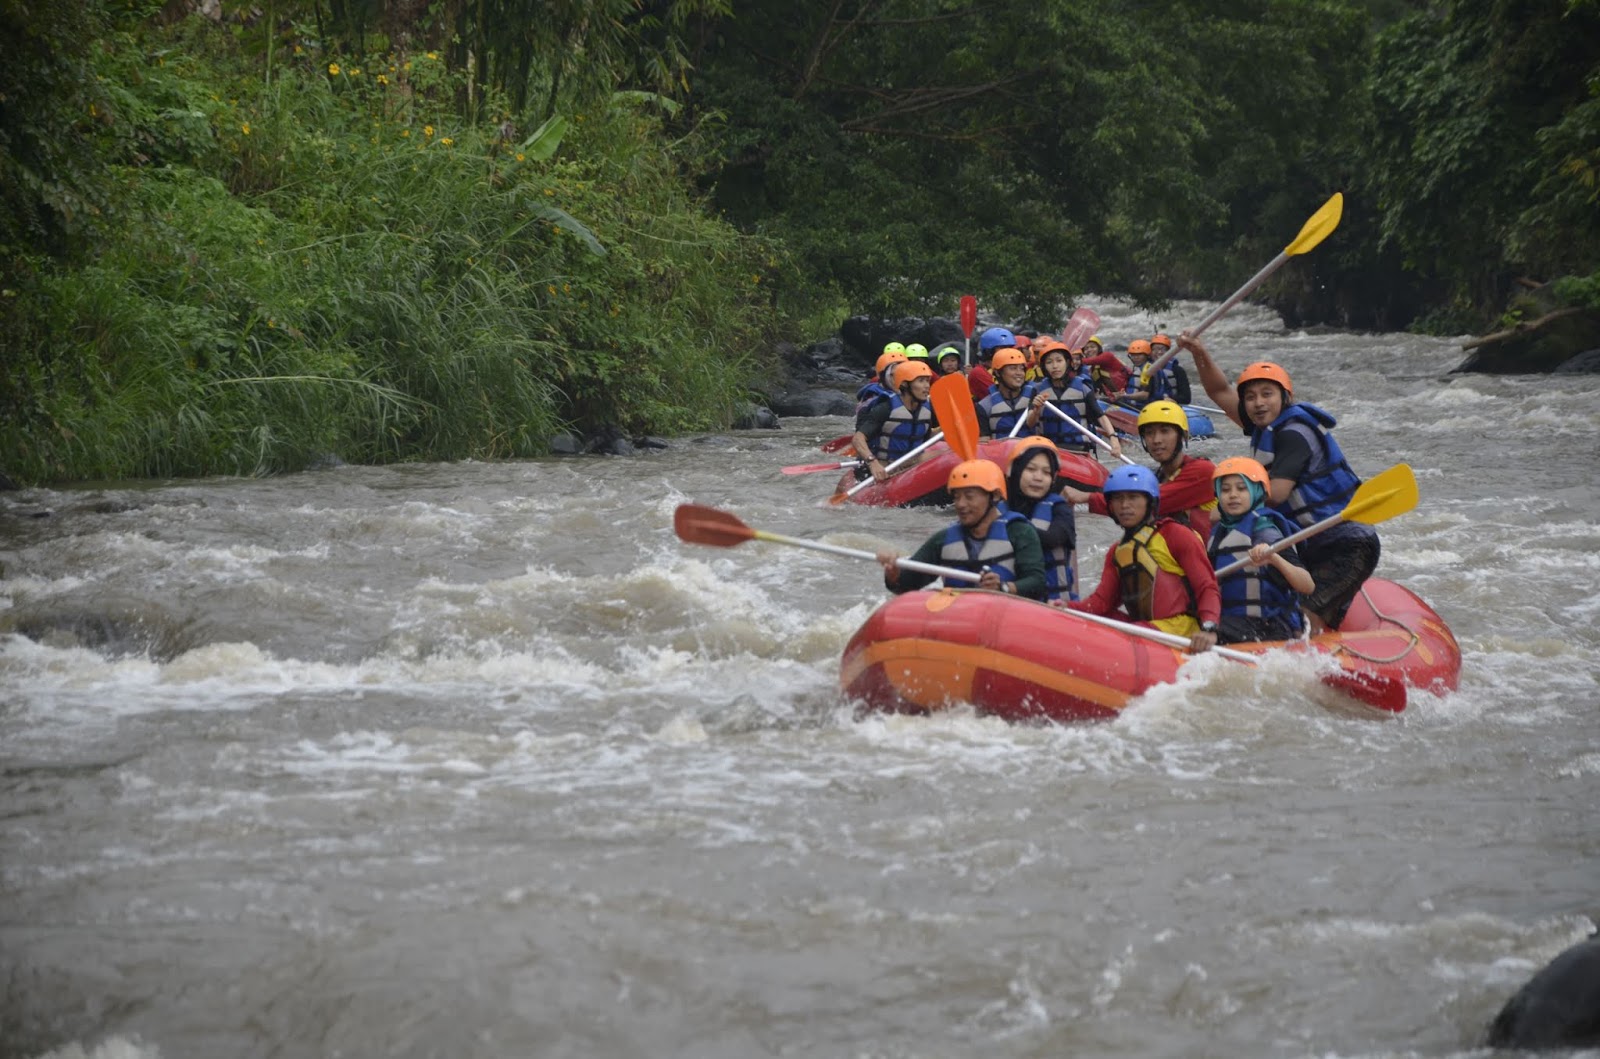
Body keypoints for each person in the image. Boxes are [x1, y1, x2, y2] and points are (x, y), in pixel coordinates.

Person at [1182, 337, 1378, 632]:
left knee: (1307, 614)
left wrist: (1227, 507)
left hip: (1347, 544)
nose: (1258, 403)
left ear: (1285, 396)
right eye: (1250, 397)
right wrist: (1199, 352)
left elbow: (1278, 493)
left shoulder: (1293, 434)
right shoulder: (1264, 425)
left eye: (1267, 394)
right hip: (1311, 544)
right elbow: (1218, 390)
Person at [1068, 464, 1222, 651]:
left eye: (1133, 497)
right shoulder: (1118, 551)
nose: (1125, 505)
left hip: (1181, 630)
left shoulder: (1176, 535)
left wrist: (1209, 626)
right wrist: (1065, 609)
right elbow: (1101, 604)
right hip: (1145, 629)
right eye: (1118, 499)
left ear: (1150, 502)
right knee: (1098, 620)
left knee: (1127, 632)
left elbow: (1206, 586)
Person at [875, 459, 1047, 599]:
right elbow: (905, 586)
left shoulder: (1019, 531)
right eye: (956, 497)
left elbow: (1037, 582)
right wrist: (894, 572)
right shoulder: (943, 539)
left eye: (969, 497)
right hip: (958, 619)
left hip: (1005, 615)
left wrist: (1004, 587)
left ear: (994, 496)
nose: (961, 504)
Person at [1066, 400, 1216, 539]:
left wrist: (1086, 497)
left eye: (1165, 431)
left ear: (1182, 436)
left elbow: (1150, 503)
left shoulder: (1202, 470)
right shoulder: (1155, 476)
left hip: (1206, 560)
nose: (1156, 440)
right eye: (1150, 433)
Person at [1207, 456, 1315, 644]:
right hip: (1232, 621)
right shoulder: (1218, 534)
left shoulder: (1267, 533)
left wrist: (1274, 558)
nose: (1232, 495)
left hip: (1269, 624)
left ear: (1257, 491)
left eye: (1241, 488)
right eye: (1225, 490)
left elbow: (1307, 585)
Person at [1005, 437, 1078, 601]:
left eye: (1046, 472)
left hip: (1054, 605)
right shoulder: (998, 510)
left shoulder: (1060, 509)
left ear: (1053, 479)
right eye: (1031, 469)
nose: (1038, 477)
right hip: (1009, 603)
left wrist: (1008, 528)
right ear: (1016, 470)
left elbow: (1054, 538)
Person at [1023, 340, 1122, 459]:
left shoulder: (1083, 387)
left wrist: (1113, 438)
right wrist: (1036, 411)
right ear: (1044, 367)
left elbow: (1100, 415)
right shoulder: (1038, 390)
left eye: (1059, 361)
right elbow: (1029, 423)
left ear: (1067, 362)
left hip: (1078, 450)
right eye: (1049, 362)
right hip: (1049, 450)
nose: (1055, 366)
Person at [851, 360, 937, 482]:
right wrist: (872, 462)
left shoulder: (927, 408)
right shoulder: (886, 407)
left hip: (910, 462)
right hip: (886, 465)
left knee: (948, 453)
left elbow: (926, 437)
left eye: (928, 381)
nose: (927, 386)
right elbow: (858, 438)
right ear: (905, 385)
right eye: (921, 381)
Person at [975, 349, 1034, 437]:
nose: (1019, 373)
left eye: (1021, 369)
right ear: (998, 373)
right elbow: (985, 441)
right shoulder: (984, 407)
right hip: (1002, 450)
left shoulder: (1035, 395)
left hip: (1033, 450)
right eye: (1013, 368)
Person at [969, 327, 1012, 399]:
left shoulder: (1009, 368)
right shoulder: (978, 372)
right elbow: (1000, 396)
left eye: (1009, 348)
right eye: (1002, 348)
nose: (1008, 351)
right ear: (990, 351)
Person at [1149, 334, 1192, 404]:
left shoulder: (1178, 370)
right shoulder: (1147, 369)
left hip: (1171, 407)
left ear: (1169, 352)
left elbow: (1186, 398)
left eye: (1161, 349)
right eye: (1154, 349)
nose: (1158, 352)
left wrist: (1170, 399)